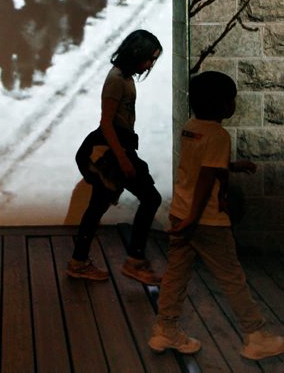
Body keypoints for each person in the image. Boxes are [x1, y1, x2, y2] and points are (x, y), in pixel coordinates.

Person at [148, 71, 284, 361]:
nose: (234, 103)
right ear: (222, 104)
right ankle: (255, 335)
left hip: (179, 213)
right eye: (232, 99)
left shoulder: (191, 127)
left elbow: (201, 165)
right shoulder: (219, 135)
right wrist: (194, 219)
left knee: (176, 273)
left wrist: (232, 167)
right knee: (232, 277)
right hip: (206, 220)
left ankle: (166, 329)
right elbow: (207, 178)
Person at [67, 29, 163, 284]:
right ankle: (135, 260)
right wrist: (122, 159)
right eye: (150, 58)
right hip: (111, 150)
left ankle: (78, 262)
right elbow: (106, 123)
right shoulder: (117, 79)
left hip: (118, 147)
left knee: (97, 206)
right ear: (137, 53)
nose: (150, 64)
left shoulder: (126, 77)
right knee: (151, 198)